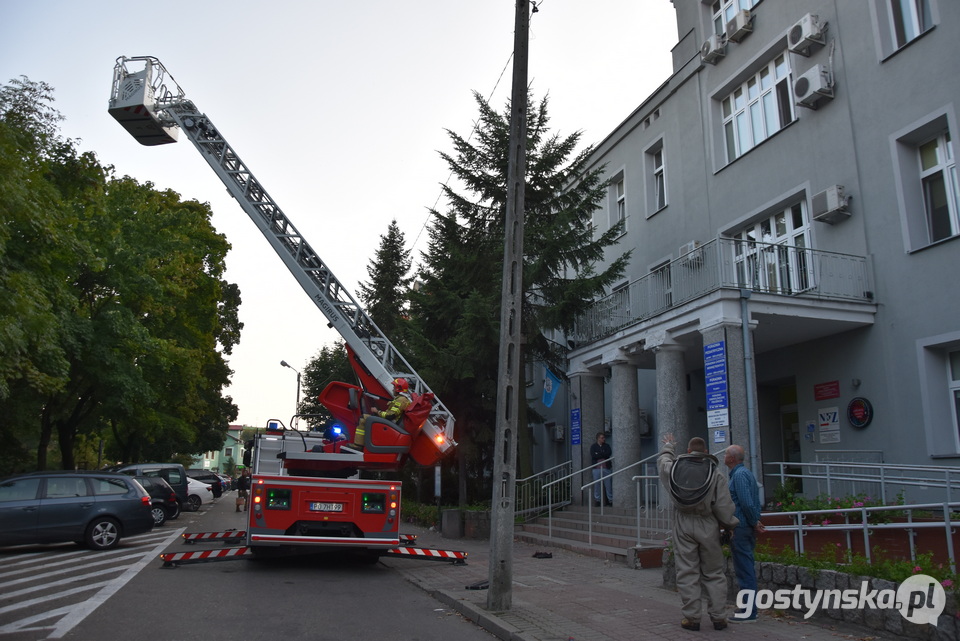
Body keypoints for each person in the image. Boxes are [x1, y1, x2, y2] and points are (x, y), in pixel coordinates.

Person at [658, 433, 739, 632]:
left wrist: (668, 445)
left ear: (687, 451)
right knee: (713, 572)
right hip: (708, 523)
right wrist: (729, 526)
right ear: (705, 452)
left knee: (687, 571)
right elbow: (723, 506)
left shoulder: (675, 468)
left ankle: (692, 618)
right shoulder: (715, 472)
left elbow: (663, 462)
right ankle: (719, 618)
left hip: (683, 523)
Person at [724, 444, 765, 622]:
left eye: (726, 454)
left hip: (740, 527)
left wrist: (755, 521)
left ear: (732, 458)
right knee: (744, 568)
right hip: (744, 527)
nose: (724, 456)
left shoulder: (739, 476)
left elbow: (746, 503)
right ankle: (748, 609)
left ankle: (749, 611)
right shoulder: (745, 473)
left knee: (744, 569)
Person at [353, 378, 413, 448]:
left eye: (394, 387)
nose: (393, 389)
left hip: (390, 423)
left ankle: (358, 445)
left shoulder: (401, 400)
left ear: (398, 389)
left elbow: (390, 416)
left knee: (363, 418)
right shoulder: (401, 399)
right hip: (390, 422)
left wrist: (377, 411)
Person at [589, 431, 613, 506]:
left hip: (606, 468)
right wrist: (602, 454)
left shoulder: (607, 446)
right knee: (597, 485)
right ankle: (597, 500)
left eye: (604, 438)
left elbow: (608, 453)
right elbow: (594, 455)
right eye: (602, 438)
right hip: (596, 468)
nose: (604, 439)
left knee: (608, 485)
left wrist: (599, 453)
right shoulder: (593, 447)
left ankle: (610, 500)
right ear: (598, 438)